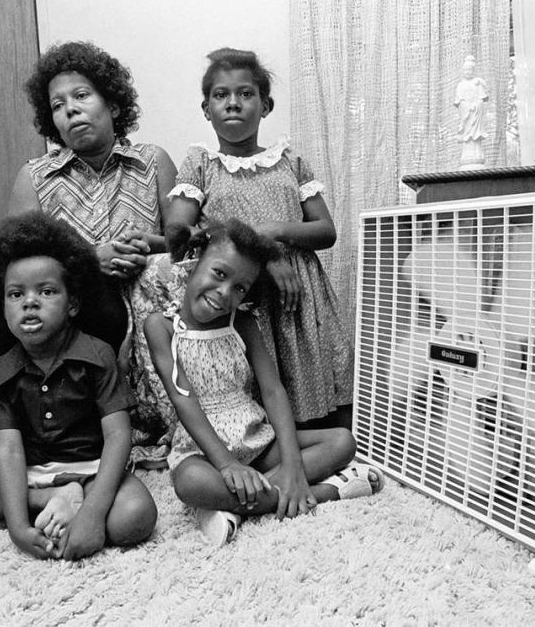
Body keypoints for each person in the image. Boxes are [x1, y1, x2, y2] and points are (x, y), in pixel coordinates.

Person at [0, 40, 178, 467]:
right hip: (69, 299)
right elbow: (16, 263)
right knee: (13, 304)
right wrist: (92, 259)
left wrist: (151, 243)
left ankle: (86, 437)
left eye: (82, 96)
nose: (70, 110)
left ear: (112, 102)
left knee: (108, 309)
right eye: (57, 104)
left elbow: (182, 239)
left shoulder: (153, 160)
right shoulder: (34, 176)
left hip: (131, 298)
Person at [0, 212, 157, 560]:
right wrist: (17, 528)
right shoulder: (1, 370)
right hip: (26, 478)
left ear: (72, 304)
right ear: (0, 304)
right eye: (15, 294)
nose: (29, 302)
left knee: (135, 518)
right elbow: (8, 452)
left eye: (46, 291)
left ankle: (53, 506)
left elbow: (118, 437)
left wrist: (92, 514)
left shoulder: (97, 355)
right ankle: (44, 506)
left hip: (90, 471)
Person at [144, 219, 383, 546]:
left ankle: (233, 505)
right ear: (194, 258)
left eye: (240, 287)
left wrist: (293, 464)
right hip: (204, 448)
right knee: (188, 484)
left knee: (343, 441)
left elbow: (272, 391)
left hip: (256, 438)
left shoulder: (242, 322)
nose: (225, 294)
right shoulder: (161, 327)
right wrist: (226, 464)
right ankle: (324, 493)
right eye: (219, 273)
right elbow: (183, 399)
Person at [166, 47, 353, 429]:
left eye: (246, 94)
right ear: (206, 109)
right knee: (254, 380)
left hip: (297, 295)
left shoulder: (290, 162)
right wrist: (263, 251)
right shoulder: (201, 164)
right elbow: (185, 235)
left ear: (265, 105)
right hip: (243, 294)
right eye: (221, 95)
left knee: (306, 366)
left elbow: (325, 231)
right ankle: (261, 445)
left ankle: (318, 438)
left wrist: (276, 231)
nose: (233, 103)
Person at [453, 55, 489, 168]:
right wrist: (467, 107)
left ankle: (477, 153)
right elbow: (459, 101)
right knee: (467, 135)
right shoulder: (460, 85)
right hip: (467, 116)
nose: (468, 72)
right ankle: (467, 155)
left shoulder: (477, 83)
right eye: (466, 70)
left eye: (470, 70)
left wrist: (476, 105)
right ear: (463, 71)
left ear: (474, 71)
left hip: (476, 114)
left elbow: (482, 99)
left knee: (475, 135)